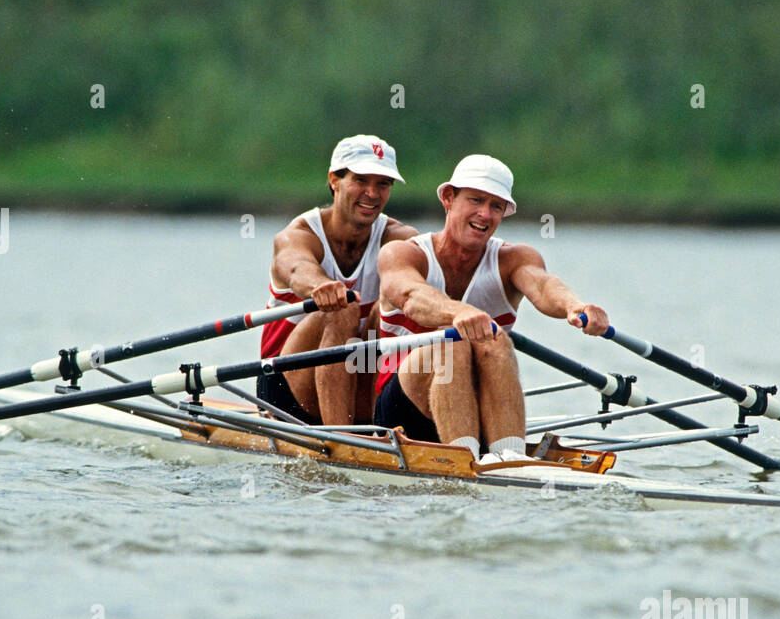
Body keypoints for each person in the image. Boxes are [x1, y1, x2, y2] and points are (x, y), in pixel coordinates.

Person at [373, 154, 610, 460]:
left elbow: (542, 285)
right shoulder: (403, 254)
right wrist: (458, 312)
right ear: (448, 198)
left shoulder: (514, 259)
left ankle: (508, 460)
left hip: (476, 413)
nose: (484, 214)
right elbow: (412, 296)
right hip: (402, 413)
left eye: (496, 206)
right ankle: (465, 459)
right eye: (476, 200)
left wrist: (574, 306)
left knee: (495, 339)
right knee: (453, 339)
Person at [257, 135, 418, 426]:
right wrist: (320, 287)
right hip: (284, 391)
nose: (372, 193)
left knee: (387, 308)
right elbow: (296, 269)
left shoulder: (401, 239)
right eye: (361, 180)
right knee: (342, 306)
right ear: (334, 180)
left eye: (382, 184)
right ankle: (343, 439)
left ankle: (379, 431)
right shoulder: (298, 235)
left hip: (357, 382)